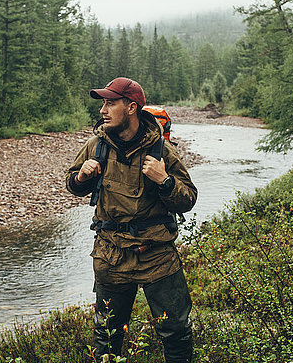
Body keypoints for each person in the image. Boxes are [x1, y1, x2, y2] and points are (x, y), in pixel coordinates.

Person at [66, 77, 198, 362]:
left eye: (110, 103)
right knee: (107, 336)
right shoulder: (95, 146)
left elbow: (188, 199)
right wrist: (81, 177)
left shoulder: (162, 151)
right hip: (110, 255)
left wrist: (164, 181)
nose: (103, 109)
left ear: (131, 107)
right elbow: (72, 184)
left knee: (176, 332)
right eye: (103, 103)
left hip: (157, 256)